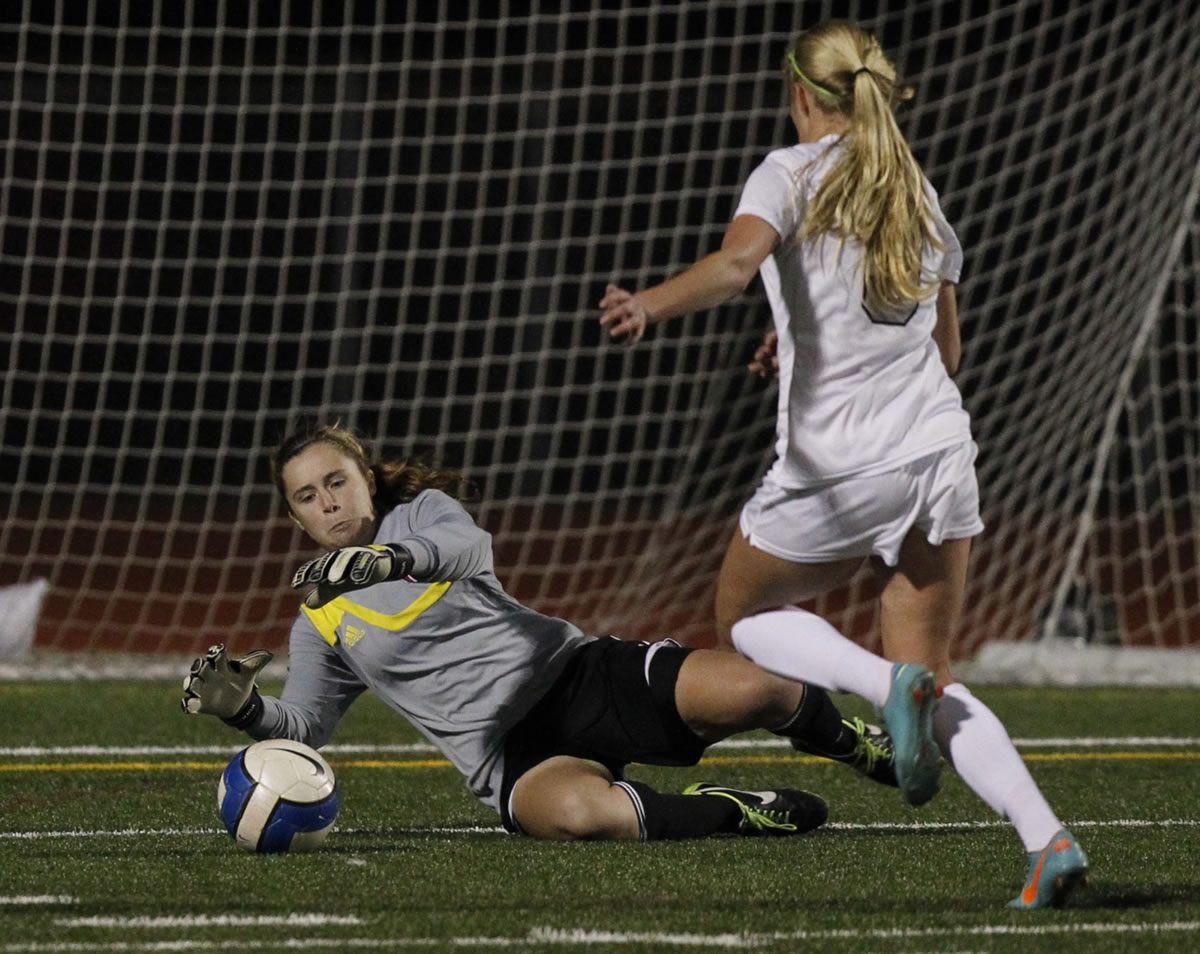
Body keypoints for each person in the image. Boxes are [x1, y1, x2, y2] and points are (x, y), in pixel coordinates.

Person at [598, 21, 1088, 907]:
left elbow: (738, 263)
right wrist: (794, 339)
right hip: (939, 455)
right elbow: (945, 352)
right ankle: (1046, 840)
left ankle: (875, 685)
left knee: (743, 614)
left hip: (839, 466)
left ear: (798, 92)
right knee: (937, 679)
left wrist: (649, 305)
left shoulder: (787, 170)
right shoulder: (915, 186)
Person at [182, 422, 907, 844]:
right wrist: (241, 709)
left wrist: (386, 559)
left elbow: (463, 549)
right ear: (296, 521)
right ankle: (736, 810)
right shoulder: (319, 621)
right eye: (308, 497)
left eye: (337, 481)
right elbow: (304, 728)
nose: (328, 502)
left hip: (583, 675)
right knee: (581, 817)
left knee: (767, 689)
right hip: (510, 755)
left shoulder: (426, 515)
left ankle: (854, 745)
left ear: (367, 478)